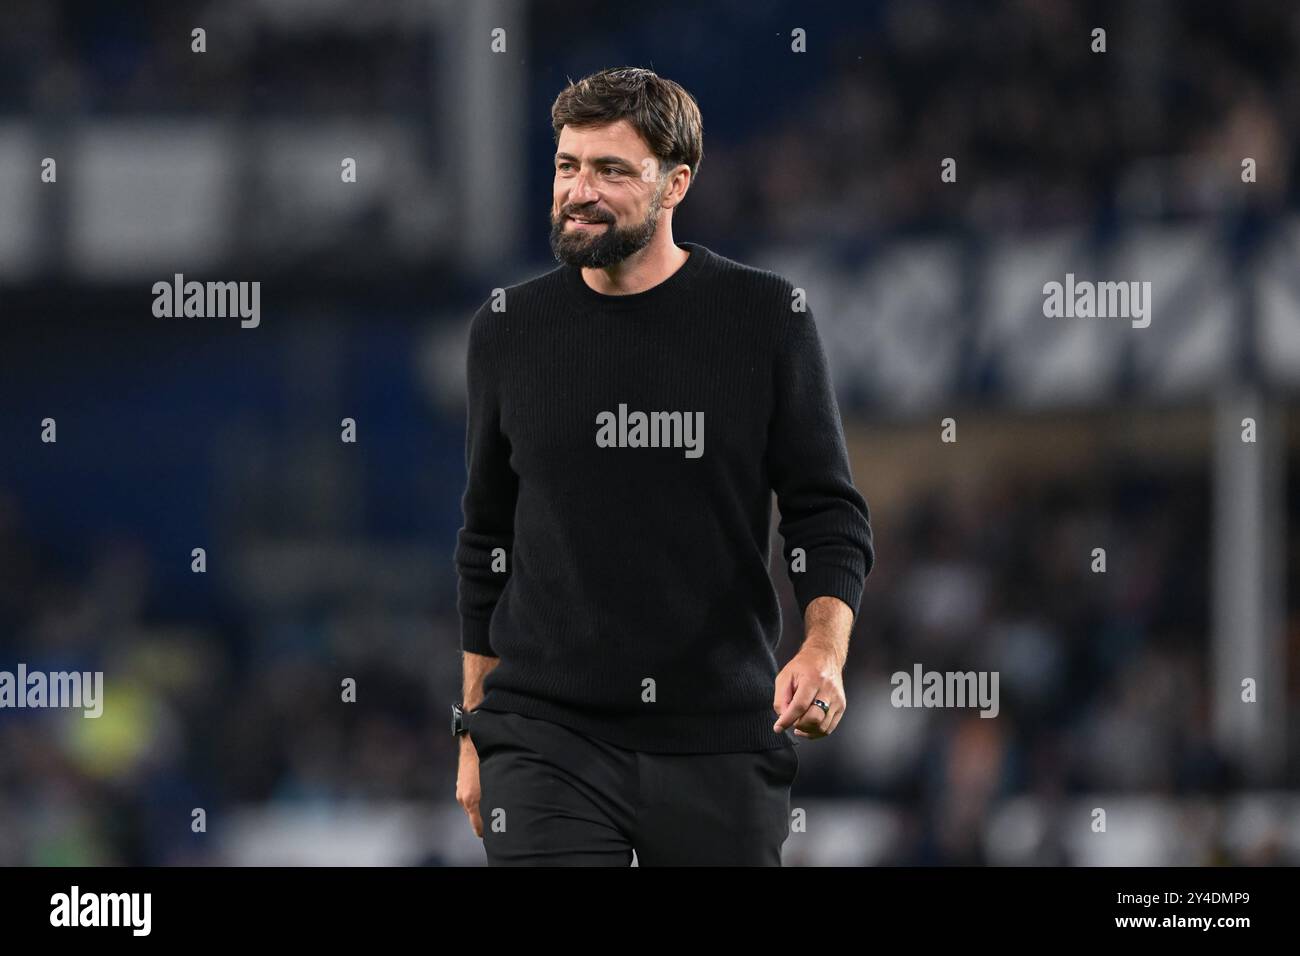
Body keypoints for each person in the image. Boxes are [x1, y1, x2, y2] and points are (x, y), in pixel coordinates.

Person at [452, 66, 874, 865]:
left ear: (675, 184)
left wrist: (824, 649)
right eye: (567, 165)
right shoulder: (507, 331)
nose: (580, 190)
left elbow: (827, 512)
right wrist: (473, 729)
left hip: (719, 736)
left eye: (612, 170)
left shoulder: (766, 320)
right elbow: (486, 543)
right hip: (547, 740)